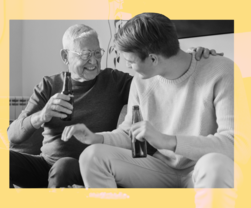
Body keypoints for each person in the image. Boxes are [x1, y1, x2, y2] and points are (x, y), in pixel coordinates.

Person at [7, 23, 217, 188]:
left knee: (64, 166)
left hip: (84, 166)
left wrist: (187, 59)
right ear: (65, 56)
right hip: (45, 164)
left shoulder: (116, 81)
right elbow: (13, 136)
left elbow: (156, 81)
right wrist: (40, 116)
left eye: (97, 52)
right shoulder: (48, 85)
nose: (94, 61)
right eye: (85, 55)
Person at [62, 13, 240, 206]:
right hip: (160, 168)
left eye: (130, 61)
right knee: (92, 155)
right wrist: (96, 138)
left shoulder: (222, 70)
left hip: (201, 168)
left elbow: (235, 144)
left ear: (153, 59)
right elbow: (130, 130)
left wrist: (167, 141)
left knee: (215, 164)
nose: (128, 66)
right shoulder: (141, 81)